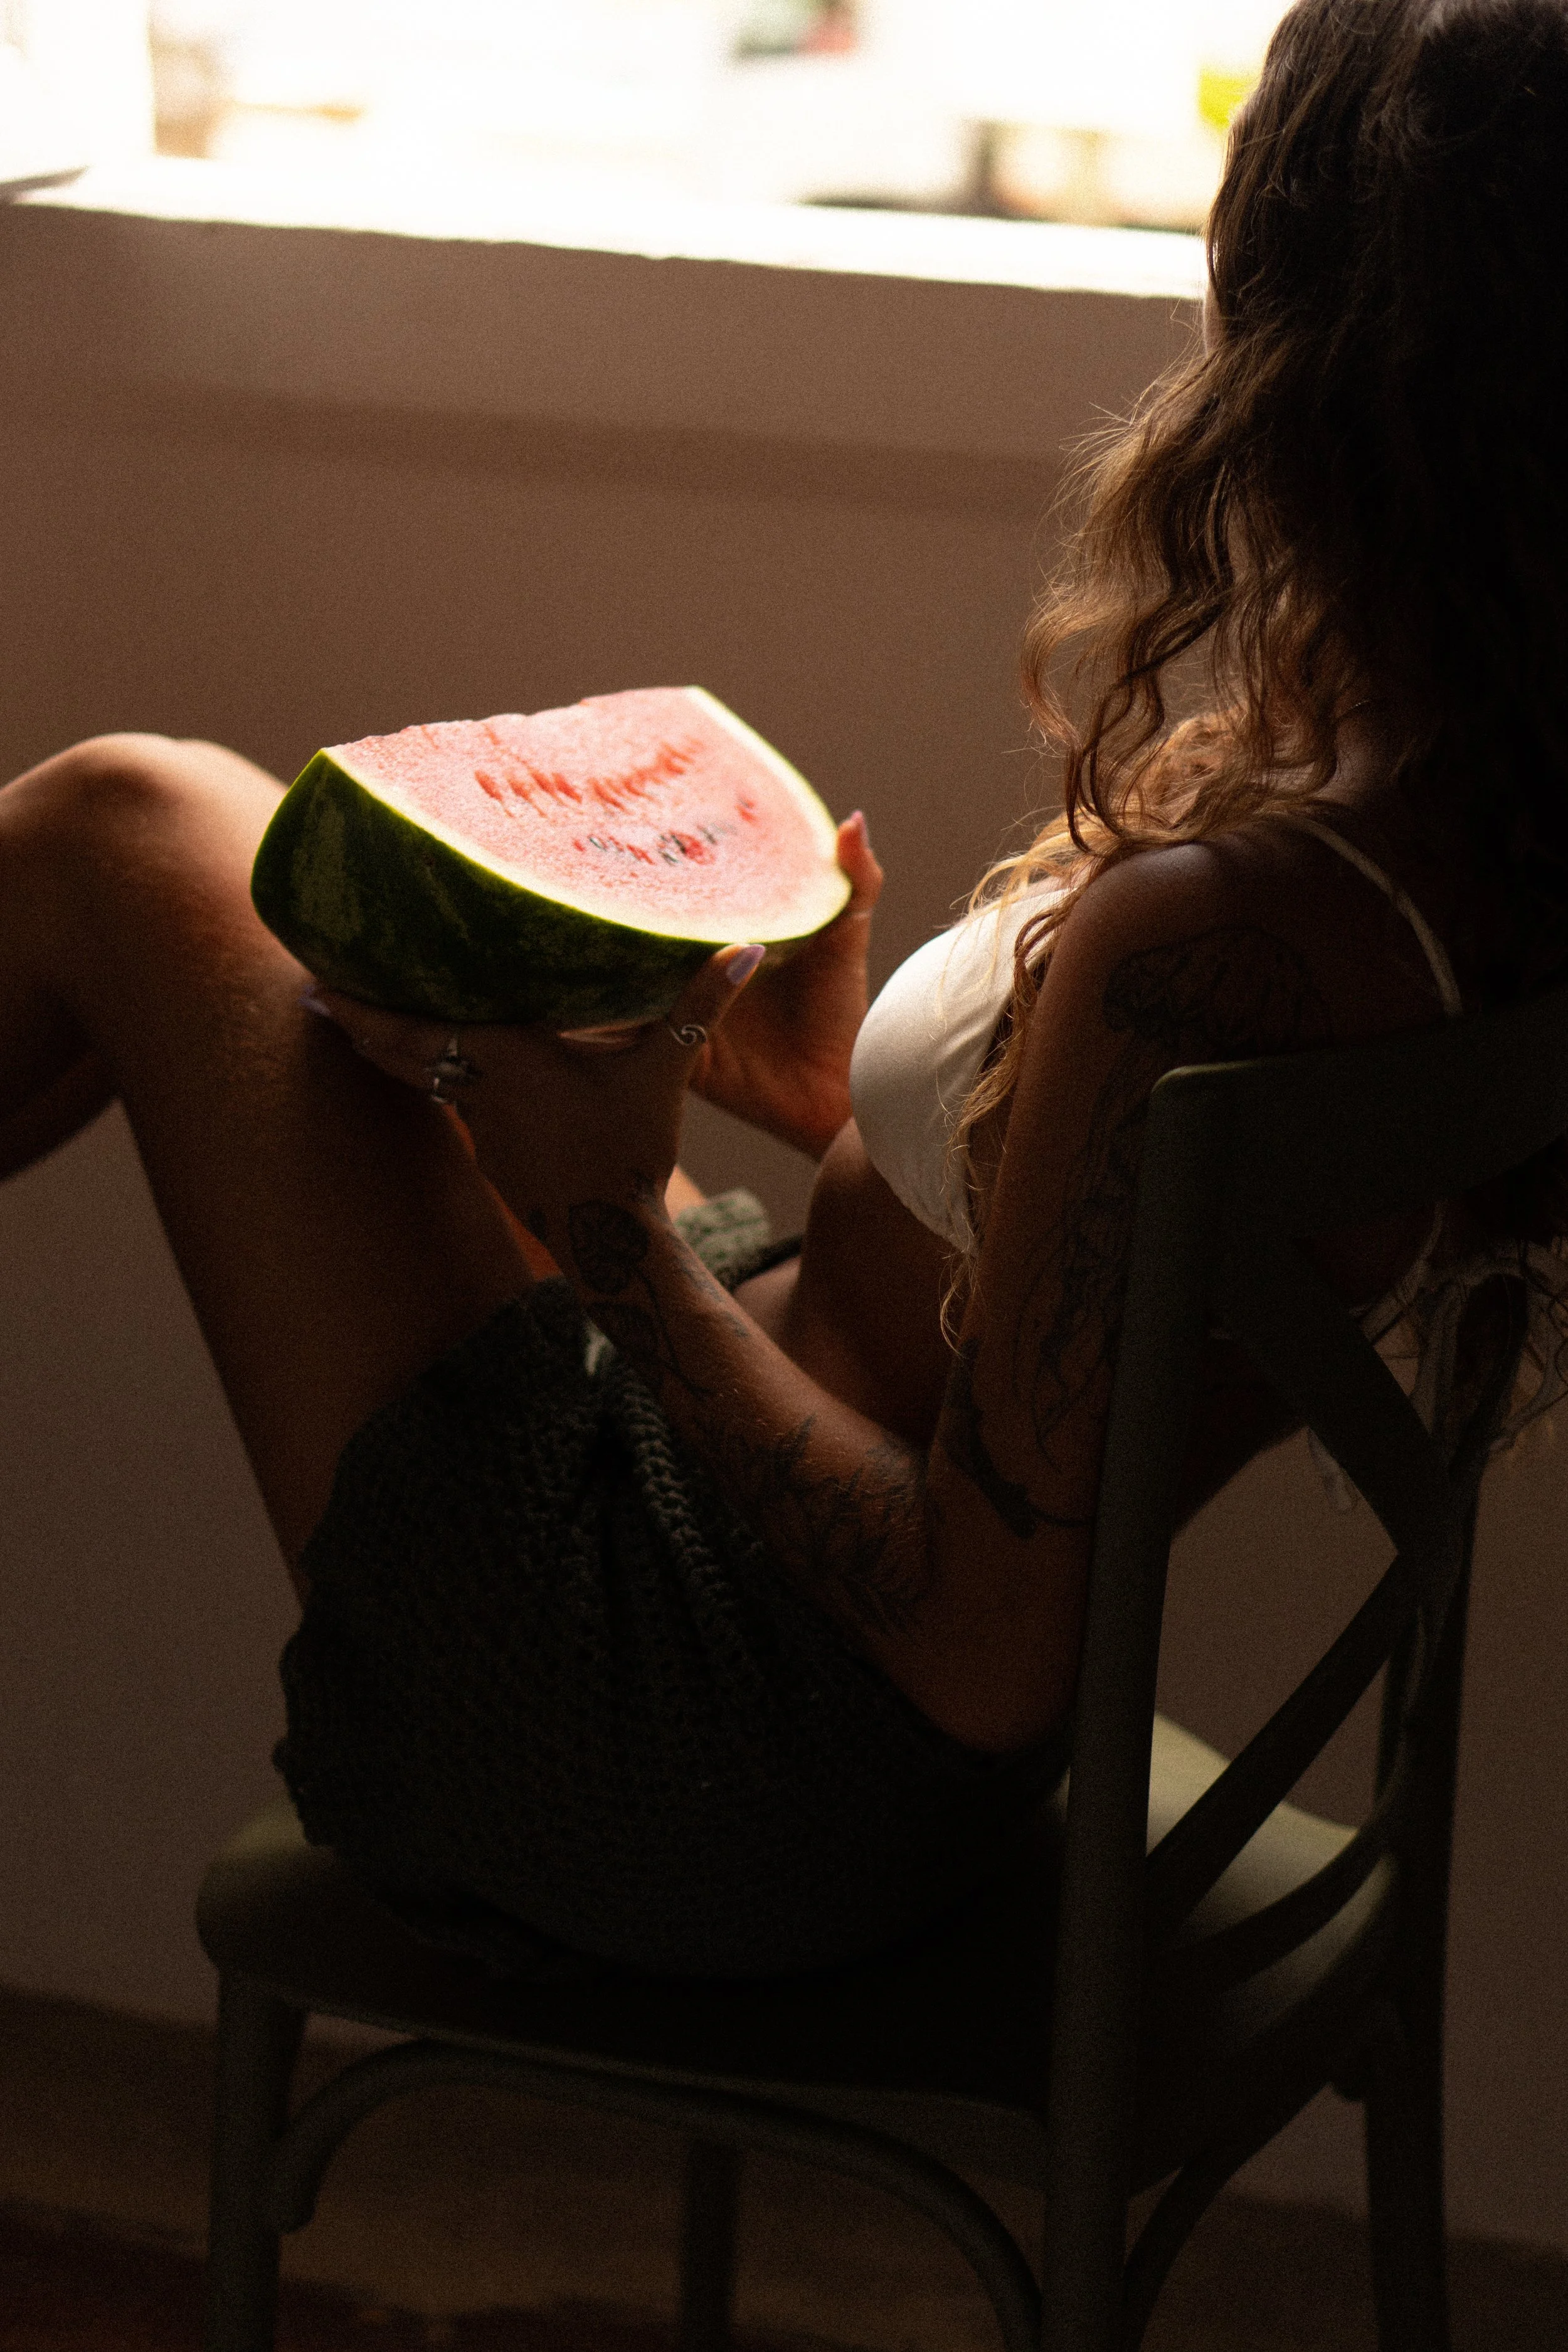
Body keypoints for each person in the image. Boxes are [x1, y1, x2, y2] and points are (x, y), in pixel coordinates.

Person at [3, 0, 1566, 1981]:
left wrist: (610, 1229)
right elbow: (1103, 1310)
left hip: (716, 1725)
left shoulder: (1224, 930)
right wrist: (835, 1101)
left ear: (1330, 337)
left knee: (122, 828)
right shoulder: (1460, 816)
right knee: (286, 950)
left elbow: (985, 1653)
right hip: (788, 1634)